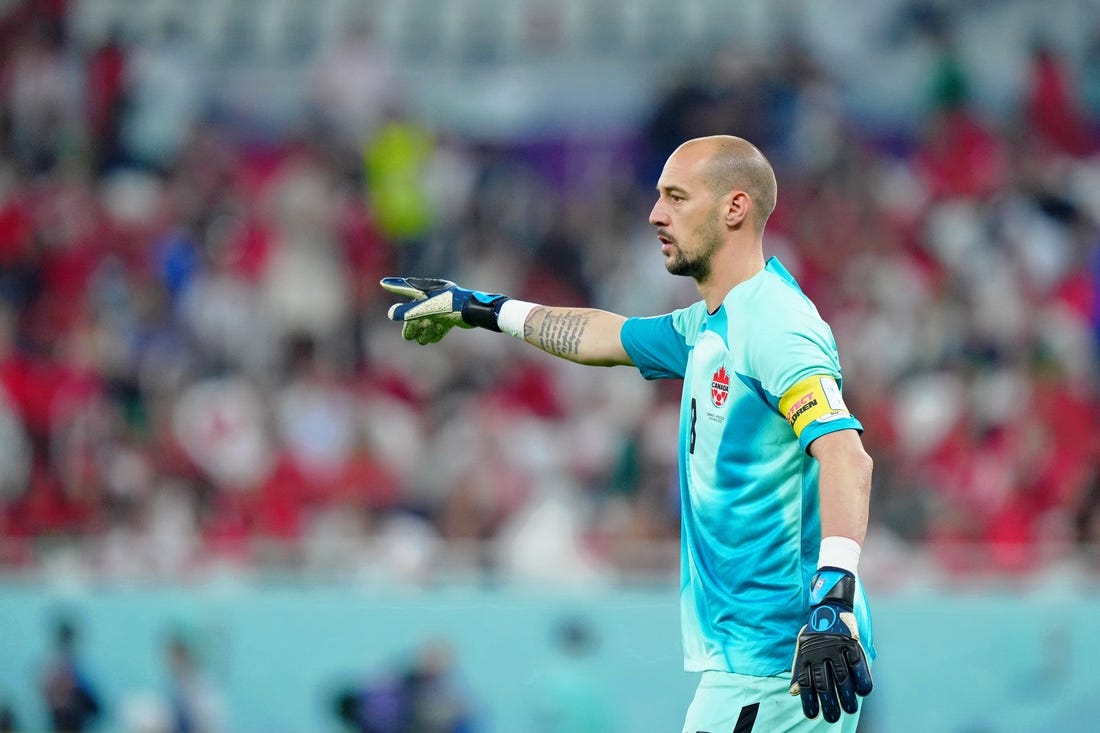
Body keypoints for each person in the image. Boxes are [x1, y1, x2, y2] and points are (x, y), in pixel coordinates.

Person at [381, 135, 875, 732]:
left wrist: (832, 602)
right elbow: (601, 336)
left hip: (776, 661)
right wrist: (481, 308)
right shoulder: (710, 325)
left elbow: (846, 454)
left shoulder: (775, 327)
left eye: (676, 197)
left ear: (734, 209)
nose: (655, 214)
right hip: (758, 663)